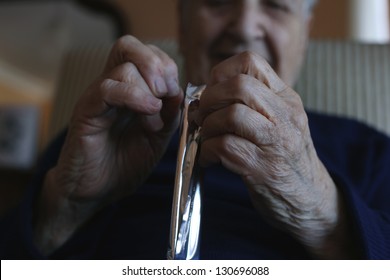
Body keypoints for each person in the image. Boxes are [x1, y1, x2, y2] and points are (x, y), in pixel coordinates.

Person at [1, 0, 390, 260]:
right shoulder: (101, 132)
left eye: (275, 3)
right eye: (218, 0)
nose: (245, 25)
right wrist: (67, 206)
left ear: (303, 35)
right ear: (183, 29)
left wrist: (325, 214)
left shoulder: (368, 151)